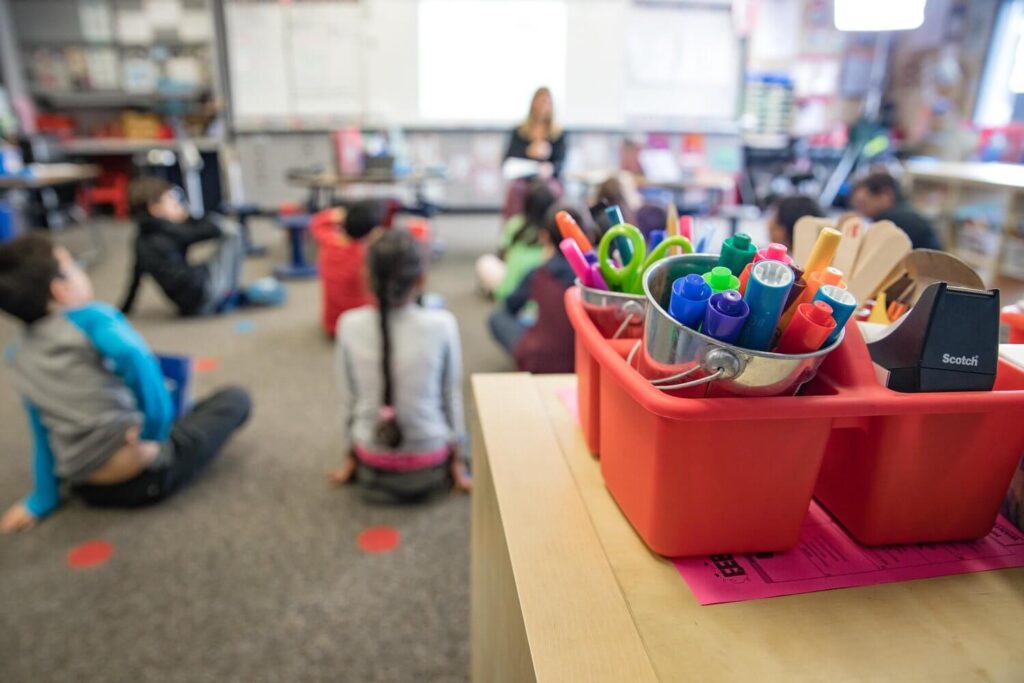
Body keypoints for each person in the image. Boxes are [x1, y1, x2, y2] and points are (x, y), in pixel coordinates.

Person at [0, 234, 251, 532]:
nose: (82, 272)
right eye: (75, 265)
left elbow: (41, 429)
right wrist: (154, 430)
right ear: (61, 289)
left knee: (176, 396)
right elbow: (134, 357)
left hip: (85, 486)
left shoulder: (16, 355)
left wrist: (42, 498)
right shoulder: (91, 319)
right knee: (235, 399)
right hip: (144, 477)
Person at [329, 230, 471, 498]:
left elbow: (349, 401)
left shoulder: (347, 324)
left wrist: (351, 457)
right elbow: (450, 398)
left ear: (366, 278)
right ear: (421, 279)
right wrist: (459, 462)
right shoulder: (442, 324)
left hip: (371, 468)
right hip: (429, 469)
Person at [120, 177, 247, 316]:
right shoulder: (169, 230)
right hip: (203, 297)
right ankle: (229, 295)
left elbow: (136, 276)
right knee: (234, 233)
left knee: (204, 265)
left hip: (187, 304)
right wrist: (188, 216)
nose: (177, 204)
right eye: (171, 200)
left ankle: (228, 294)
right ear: (154, 208)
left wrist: (123, 309)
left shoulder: (141, 237)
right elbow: (214, 229)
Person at [488, 205, 588, 374]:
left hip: (539, 360)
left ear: (545, 236)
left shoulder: (540, 273)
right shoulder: (595, 276)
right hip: (585, 360)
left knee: (497, 317)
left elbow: (510, 305)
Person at [475, 180, 556, 302]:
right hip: (538, 294)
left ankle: (489, 290)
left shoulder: (515, 223)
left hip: (510, 289)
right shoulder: (553, 232)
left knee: (485, 262)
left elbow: (503, 253)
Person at [310, 200, 381, 338]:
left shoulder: (328, 243)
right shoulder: (366, 255)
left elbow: (317, 222)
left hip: (332, 325)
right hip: (358, 327)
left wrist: (336, 215)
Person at [501, 87, 567, 219]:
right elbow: (508, 161)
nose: (543, 105)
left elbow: (561, 164)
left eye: (546, 102)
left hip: (548, 179)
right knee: (516, 189)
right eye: (540, 101)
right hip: (524, 178)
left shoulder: (558, 134)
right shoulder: (519, 131)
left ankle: (550, 230)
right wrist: (528, 152)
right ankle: (514, 230)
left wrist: (550, 169)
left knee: (551, 190)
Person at [850, 172, 942, 250]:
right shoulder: (907, 214)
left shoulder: (893, 220)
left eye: (863, 204)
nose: (860, 212)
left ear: (885, 195)